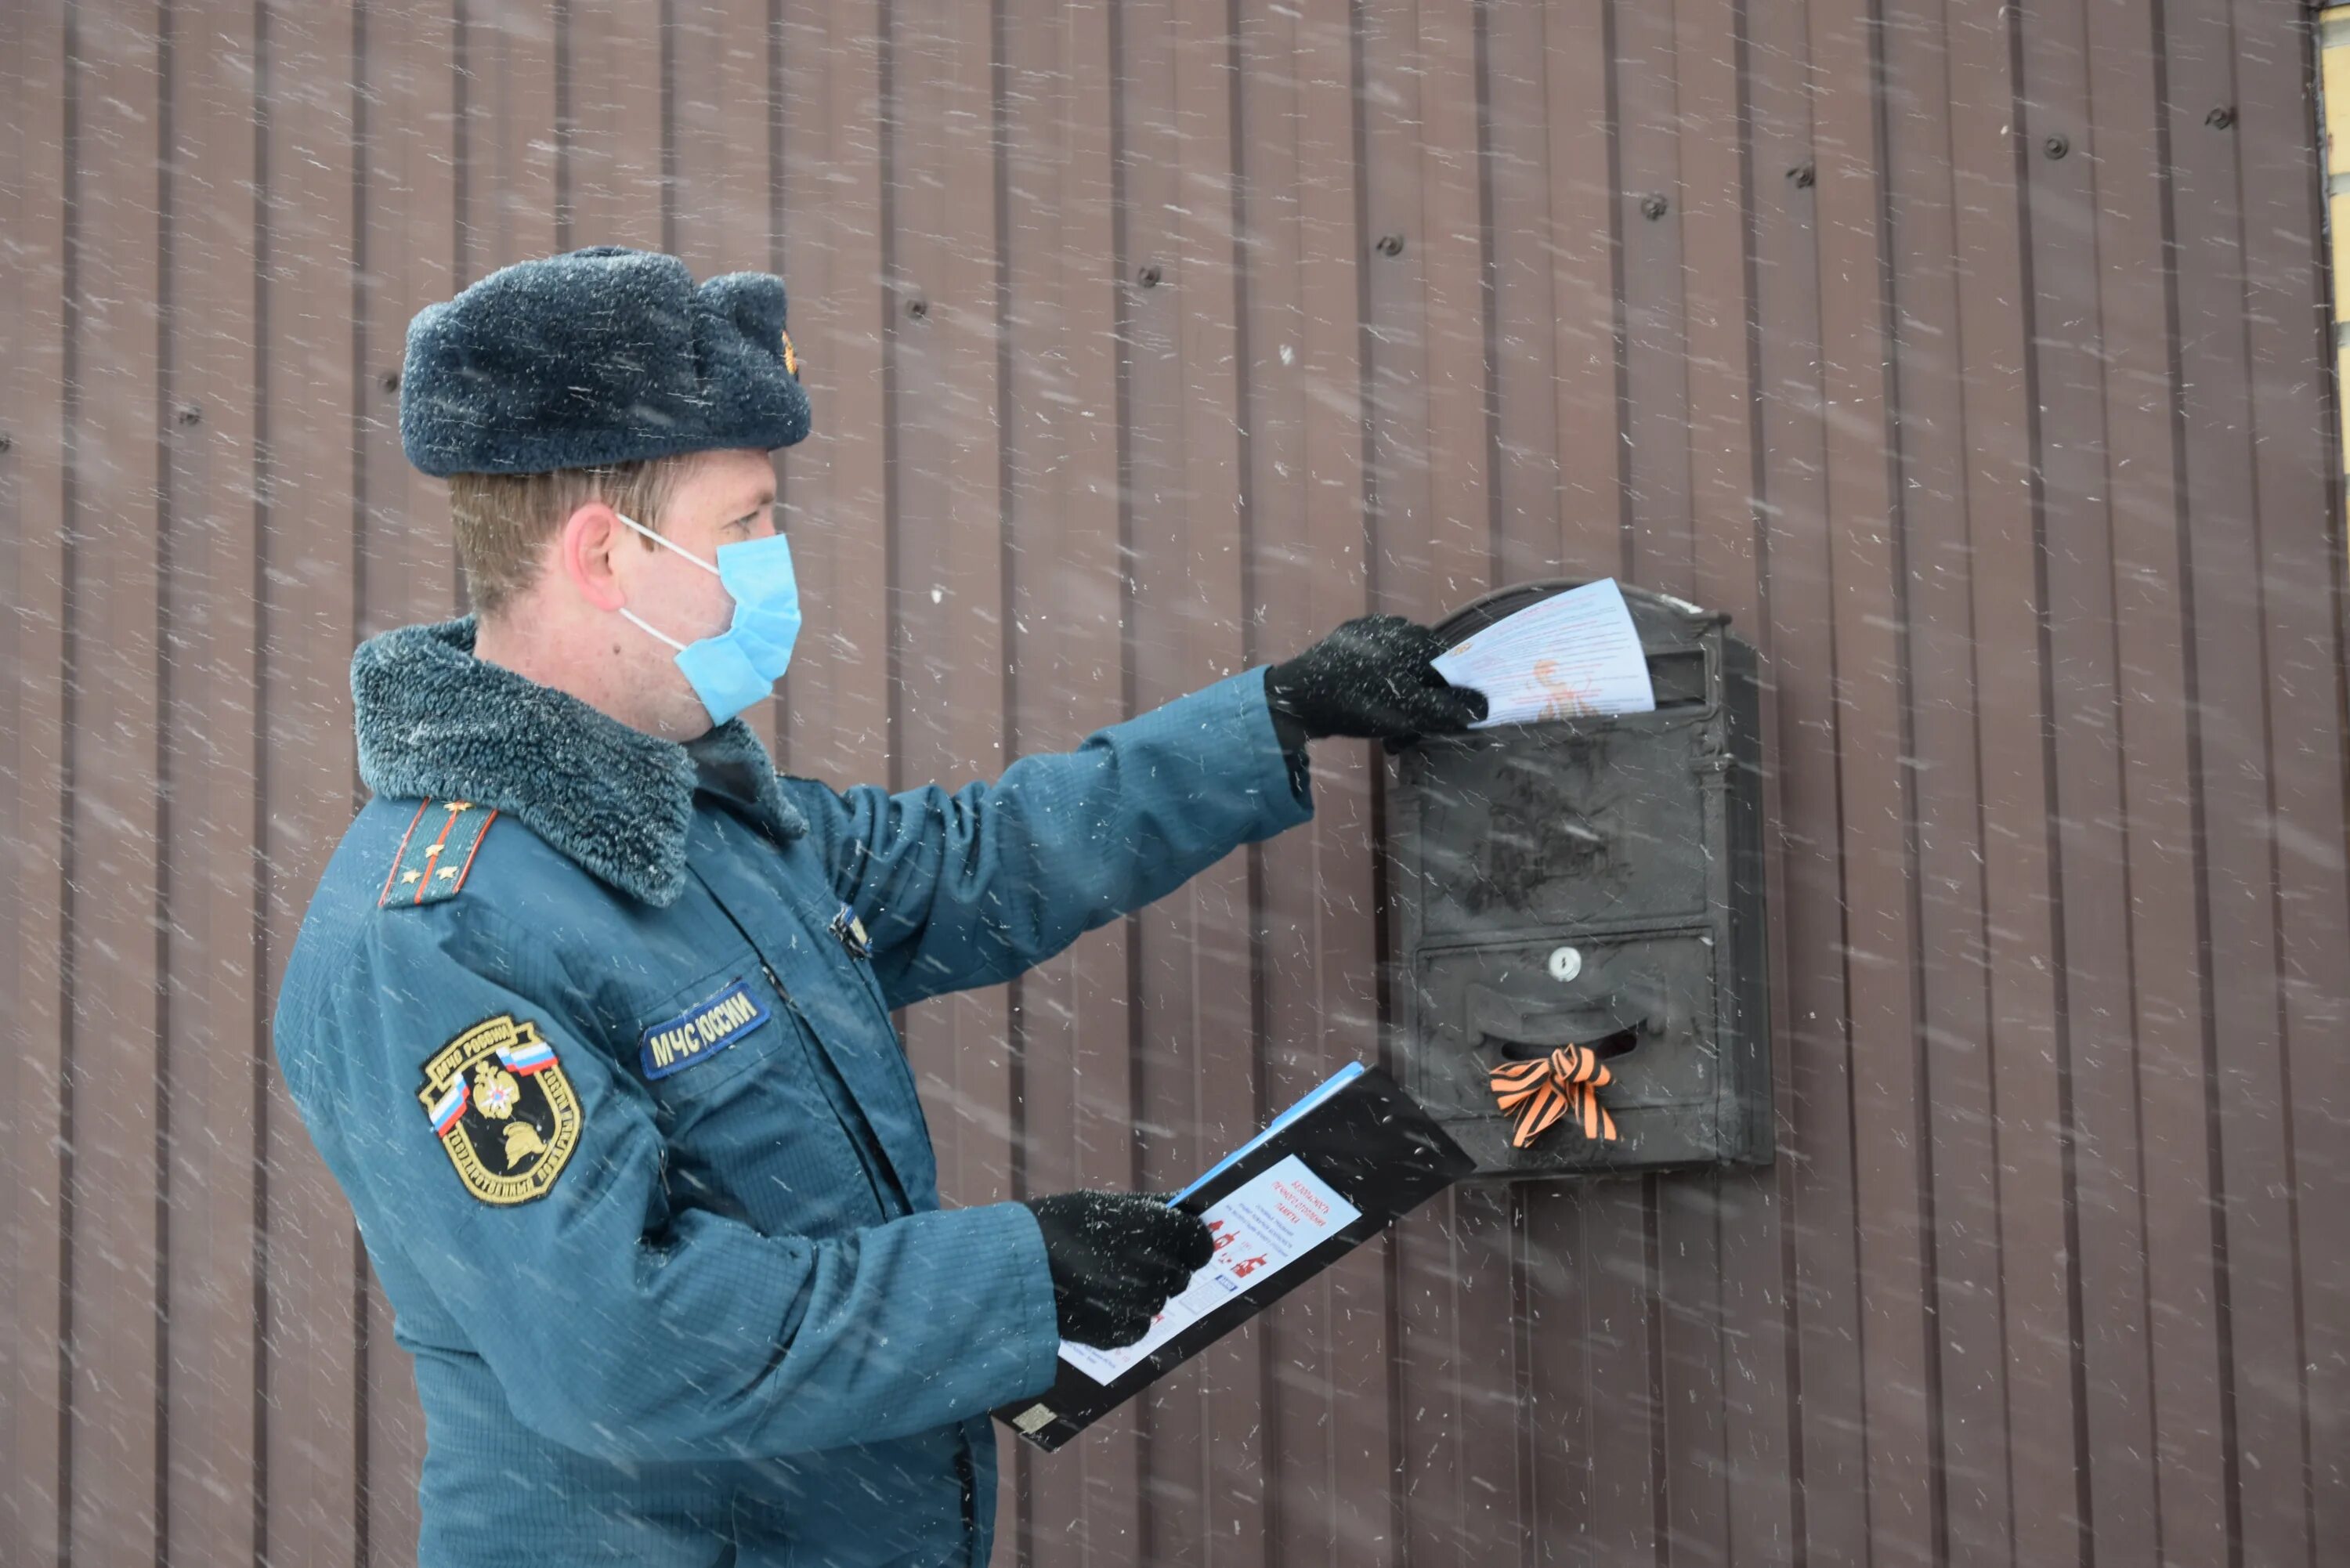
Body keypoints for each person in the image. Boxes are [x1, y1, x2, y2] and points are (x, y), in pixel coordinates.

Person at [273, 245, 1488, 1567]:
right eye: (746, 522)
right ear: (604, 553)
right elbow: (627, 1344)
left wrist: (1278, 717)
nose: (777, 561)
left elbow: (979, 859)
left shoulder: (701, 826)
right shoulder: (434, 937)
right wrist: (1018, 1277)